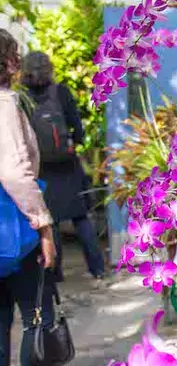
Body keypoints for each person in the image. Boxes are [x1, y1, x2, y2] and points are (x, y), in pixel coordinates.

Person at [0, 30, 67, 366]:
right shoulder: (5, 105)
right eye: (13, 55)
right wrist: (43, 226)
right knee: (36, 317)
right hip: (15, 230)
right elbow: (14, 174)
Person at [21, 51, 105, 282]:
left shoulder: (22, 98)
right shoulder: (61, 92)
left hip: (42, 169)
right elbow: (78, 131)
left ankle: (55, 273)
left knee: (52, 222)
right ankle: (97, 270)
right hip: (68, 166)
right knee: (81, 218)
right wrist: (73, 142)